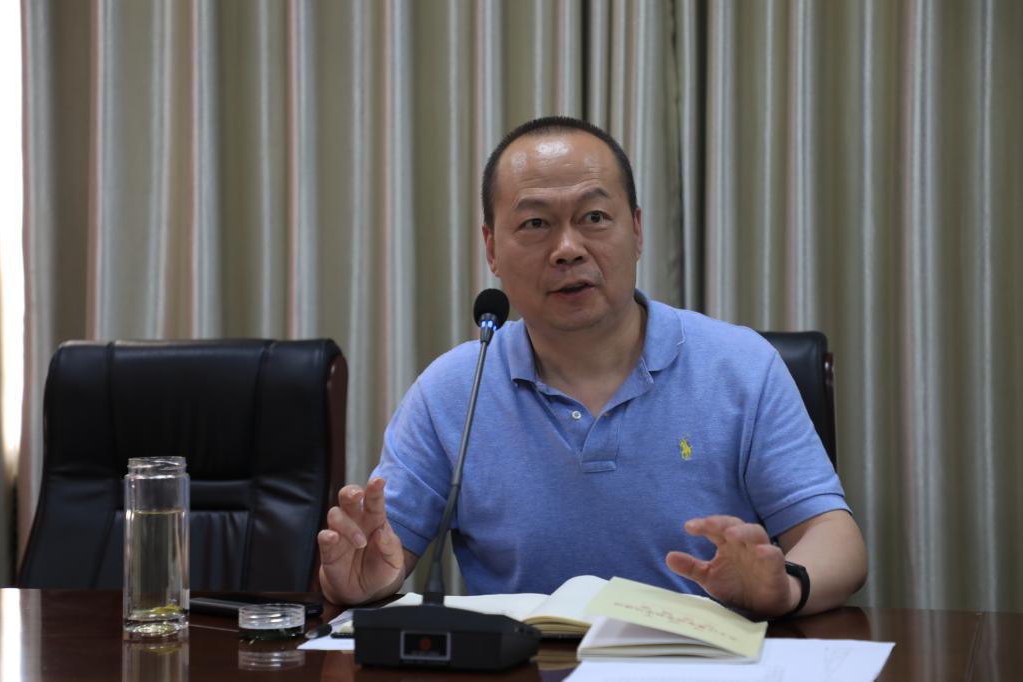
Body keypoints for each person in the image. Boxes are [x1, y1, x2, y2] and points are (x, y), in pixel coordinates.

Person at [318, 116, 867, 619]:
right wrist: (361, 582)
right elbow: (383, 556)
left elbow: (834, 536)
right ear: (491, 248)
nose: (567, 249)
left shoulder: (741, 366)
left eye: (595, 218)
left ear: (637, 230)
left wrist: (785, 587)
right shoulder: (454, 388)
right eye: (535, 223)